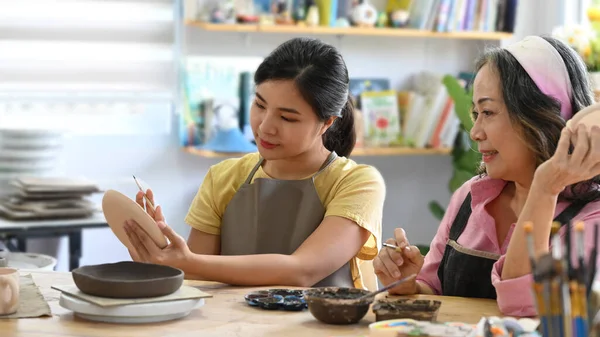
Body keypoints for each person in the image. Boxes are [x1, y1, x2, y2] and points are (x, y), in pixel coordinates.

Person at [123, 37, 386, 291]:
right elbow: (197, 278)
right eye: (260, 105)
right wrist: (159, 252)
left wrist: (186, 262)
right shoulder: (223, 177)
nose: (265, 126)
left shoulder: (357, 183)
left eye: (287, 117)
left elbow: (302, 270)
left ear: (327, 122)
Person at [373, 35, 600, 316]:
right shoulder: (471, 196)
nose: (475, 132)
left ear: (540, 116)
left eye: (489, 112)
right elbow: (434, 289)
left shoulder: (591, 219)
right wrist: (409, 285)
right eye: (476, 113)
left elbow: (522, 307)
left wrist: (543, 188)